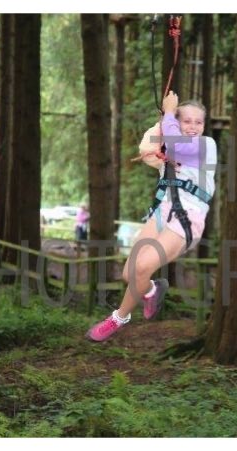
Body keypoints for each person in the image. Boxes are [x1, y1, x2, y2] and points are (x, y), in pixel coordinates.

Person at [87, 91, 217, 341]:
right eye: (186, 121)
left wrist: (169, 113)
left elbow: (178, 145)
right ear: (177, 123)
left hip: (187, 219)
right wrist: (163, 122)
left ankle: (117, 319)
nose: (193, 127)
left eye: (198, 122)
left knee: (142, 267)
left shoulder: (205, 145)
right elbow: (146, 148)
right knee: (129, 273)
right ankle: (151, 290)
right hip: (161, 213)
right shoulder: (169, 149)